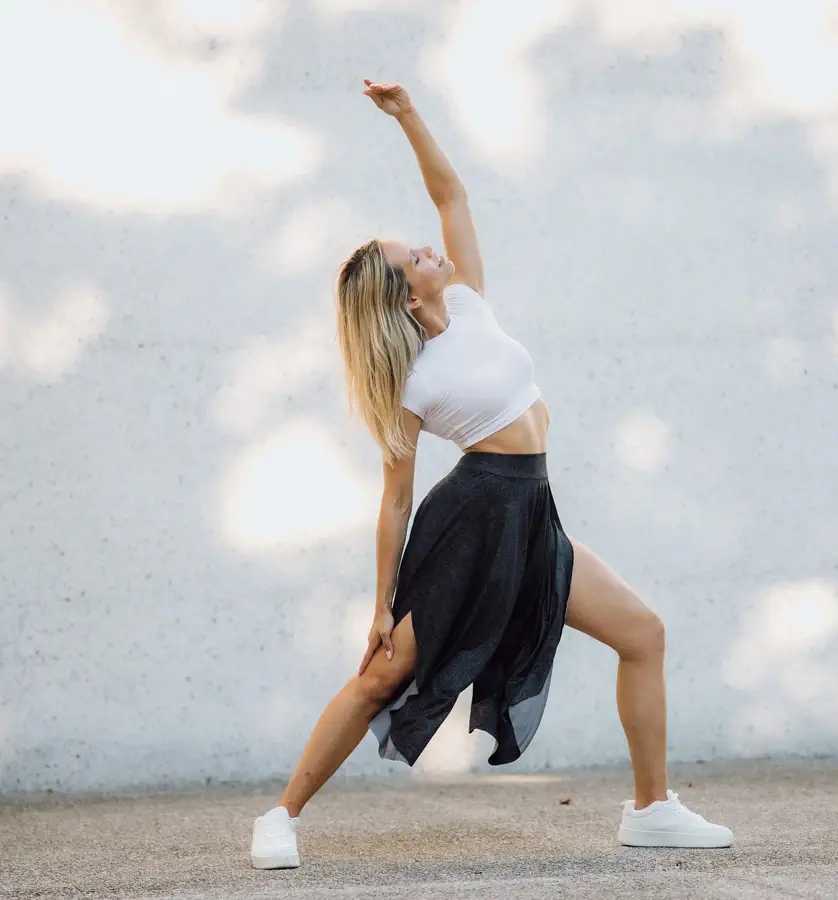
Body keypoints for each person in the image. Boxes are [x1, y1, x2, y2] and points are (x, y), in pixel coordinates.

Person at [250, 79, 733, 869]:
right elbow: (396, 498)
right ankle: (280, 816)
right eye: (414, 257)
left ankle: (652, 811)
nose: (429, 249)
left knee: (642, 633)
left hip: (532, 510)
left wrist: (408, 116)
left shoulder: (468, 301)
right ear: (405, 297)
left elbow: (451, 193)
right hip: (473, 520)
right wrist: (380, 603)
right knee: (383, 676)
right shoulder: (409, 383)